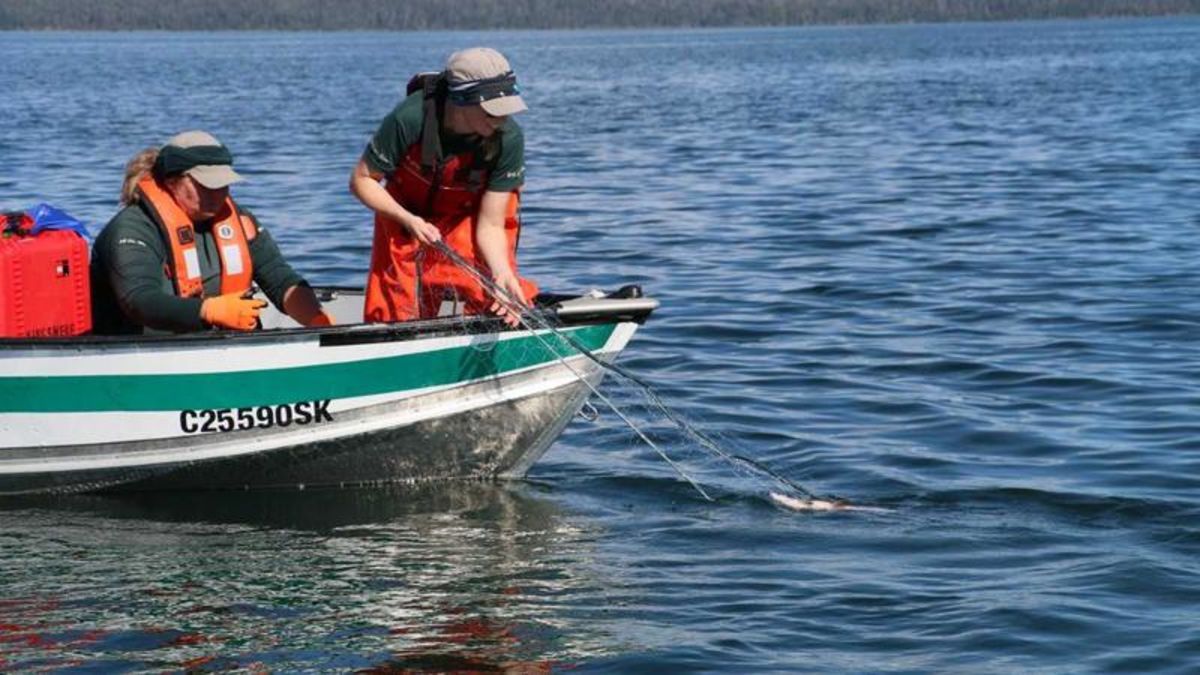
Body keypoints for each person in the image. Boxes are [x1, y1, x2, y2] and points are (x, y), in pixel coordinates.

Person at [350, 47, 538, 326]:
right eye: (491, 112)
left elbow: (491, 225)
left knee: (493, 291)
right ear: (461, 101)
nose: (500, 121)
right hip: (406, 213)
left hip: (469, 215)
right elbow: (362, 180)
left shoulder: (509, 138)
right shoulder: (410, 118)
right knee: (399, 302)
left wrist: (500, 271)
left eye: (506, 111)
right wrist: (409, 220)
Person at [90, 131, 334, 334]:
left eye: (222, 185)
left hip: (225, 349)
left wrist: (318, 322)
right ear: (171, 180)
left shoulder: (238, 220)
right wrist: (209, 311)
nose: (217, 194)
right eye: (205, 186)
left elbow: (281, 280)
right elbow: (139, 300)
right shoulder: (132, 229)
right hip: (151, 356)